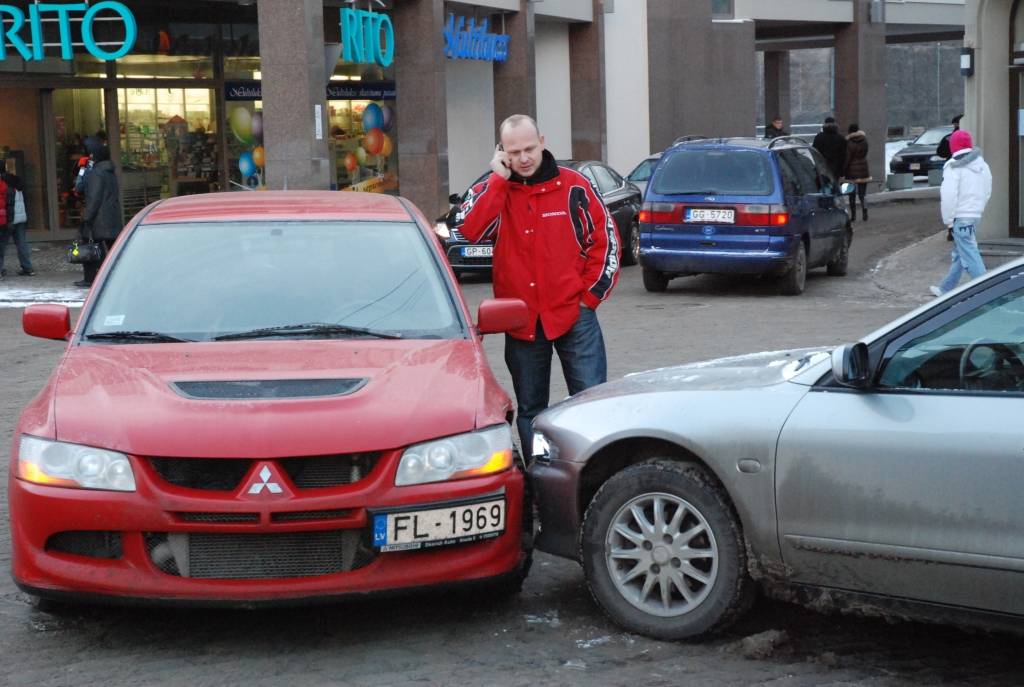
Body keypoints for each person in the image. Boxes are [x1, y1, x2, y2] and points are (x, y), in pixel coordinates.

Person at [453, 114, 619, 452]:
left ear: (542, 141)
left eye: (530, 148)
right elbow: (469, 231)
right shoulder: (492, 189)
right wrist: (499, 180)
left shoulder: (575, 186)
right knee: (531, 410)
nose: (524, 158)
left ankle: (591, 470)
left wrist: (589, 298)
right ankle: (541, 475)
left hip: (575, 315)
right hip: (522, 322)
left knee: (592, 402)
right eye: (514, 152)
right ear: (502, 152)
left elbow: (606, 241)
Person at [930, 130, 992, 297]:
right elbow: (987, 189)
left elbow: (949, 196)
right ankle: (946, 288)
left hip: (961, 216)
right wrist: (979, 208)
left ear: (953, 147)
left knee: (969, 252)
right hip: (974, 215)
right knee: (961, 251)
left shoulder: (952, 167)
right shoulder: (982, 165)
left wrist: (949, 220)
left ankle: (986, 289)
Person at [77, 145, 123, 288]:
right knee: (113, 249)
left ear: (93, 155)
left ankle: (91, 279)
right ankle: (117, 276)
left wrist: (87, 217)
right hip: (111, 216)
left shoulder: (96, 173)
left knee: (89, 248)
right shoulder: (109, 171)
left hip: (99, 218)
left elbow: (93, 196)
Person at [0, 170, 35, 276]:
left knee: (1, 245)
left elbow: (9, 206)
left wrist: (9, 221)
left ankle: (0, 269)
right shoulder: (18, 185)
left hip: (9, 220)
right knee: (21, 244)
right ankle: (27, 267)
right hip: (21, 218)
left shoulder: (6, 187)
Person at [844, 123, 872, 222]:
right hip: (864, 167)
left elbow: (847, 157)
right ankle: (865, 212)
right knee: (862, 194)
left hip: (851, 170)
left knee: (851, 194)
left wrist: (844, 169)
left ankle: (853, 215)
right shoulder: (865, 141)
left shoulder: (849, 143)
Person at [812, 116, 847, 181]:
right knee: (835, 187)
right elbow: (843, 156)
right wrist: (842, 172)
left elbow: (814, 152)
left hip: (822, 167)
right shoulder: (840, 138)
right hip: (836, 168)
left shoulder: (819, 137)